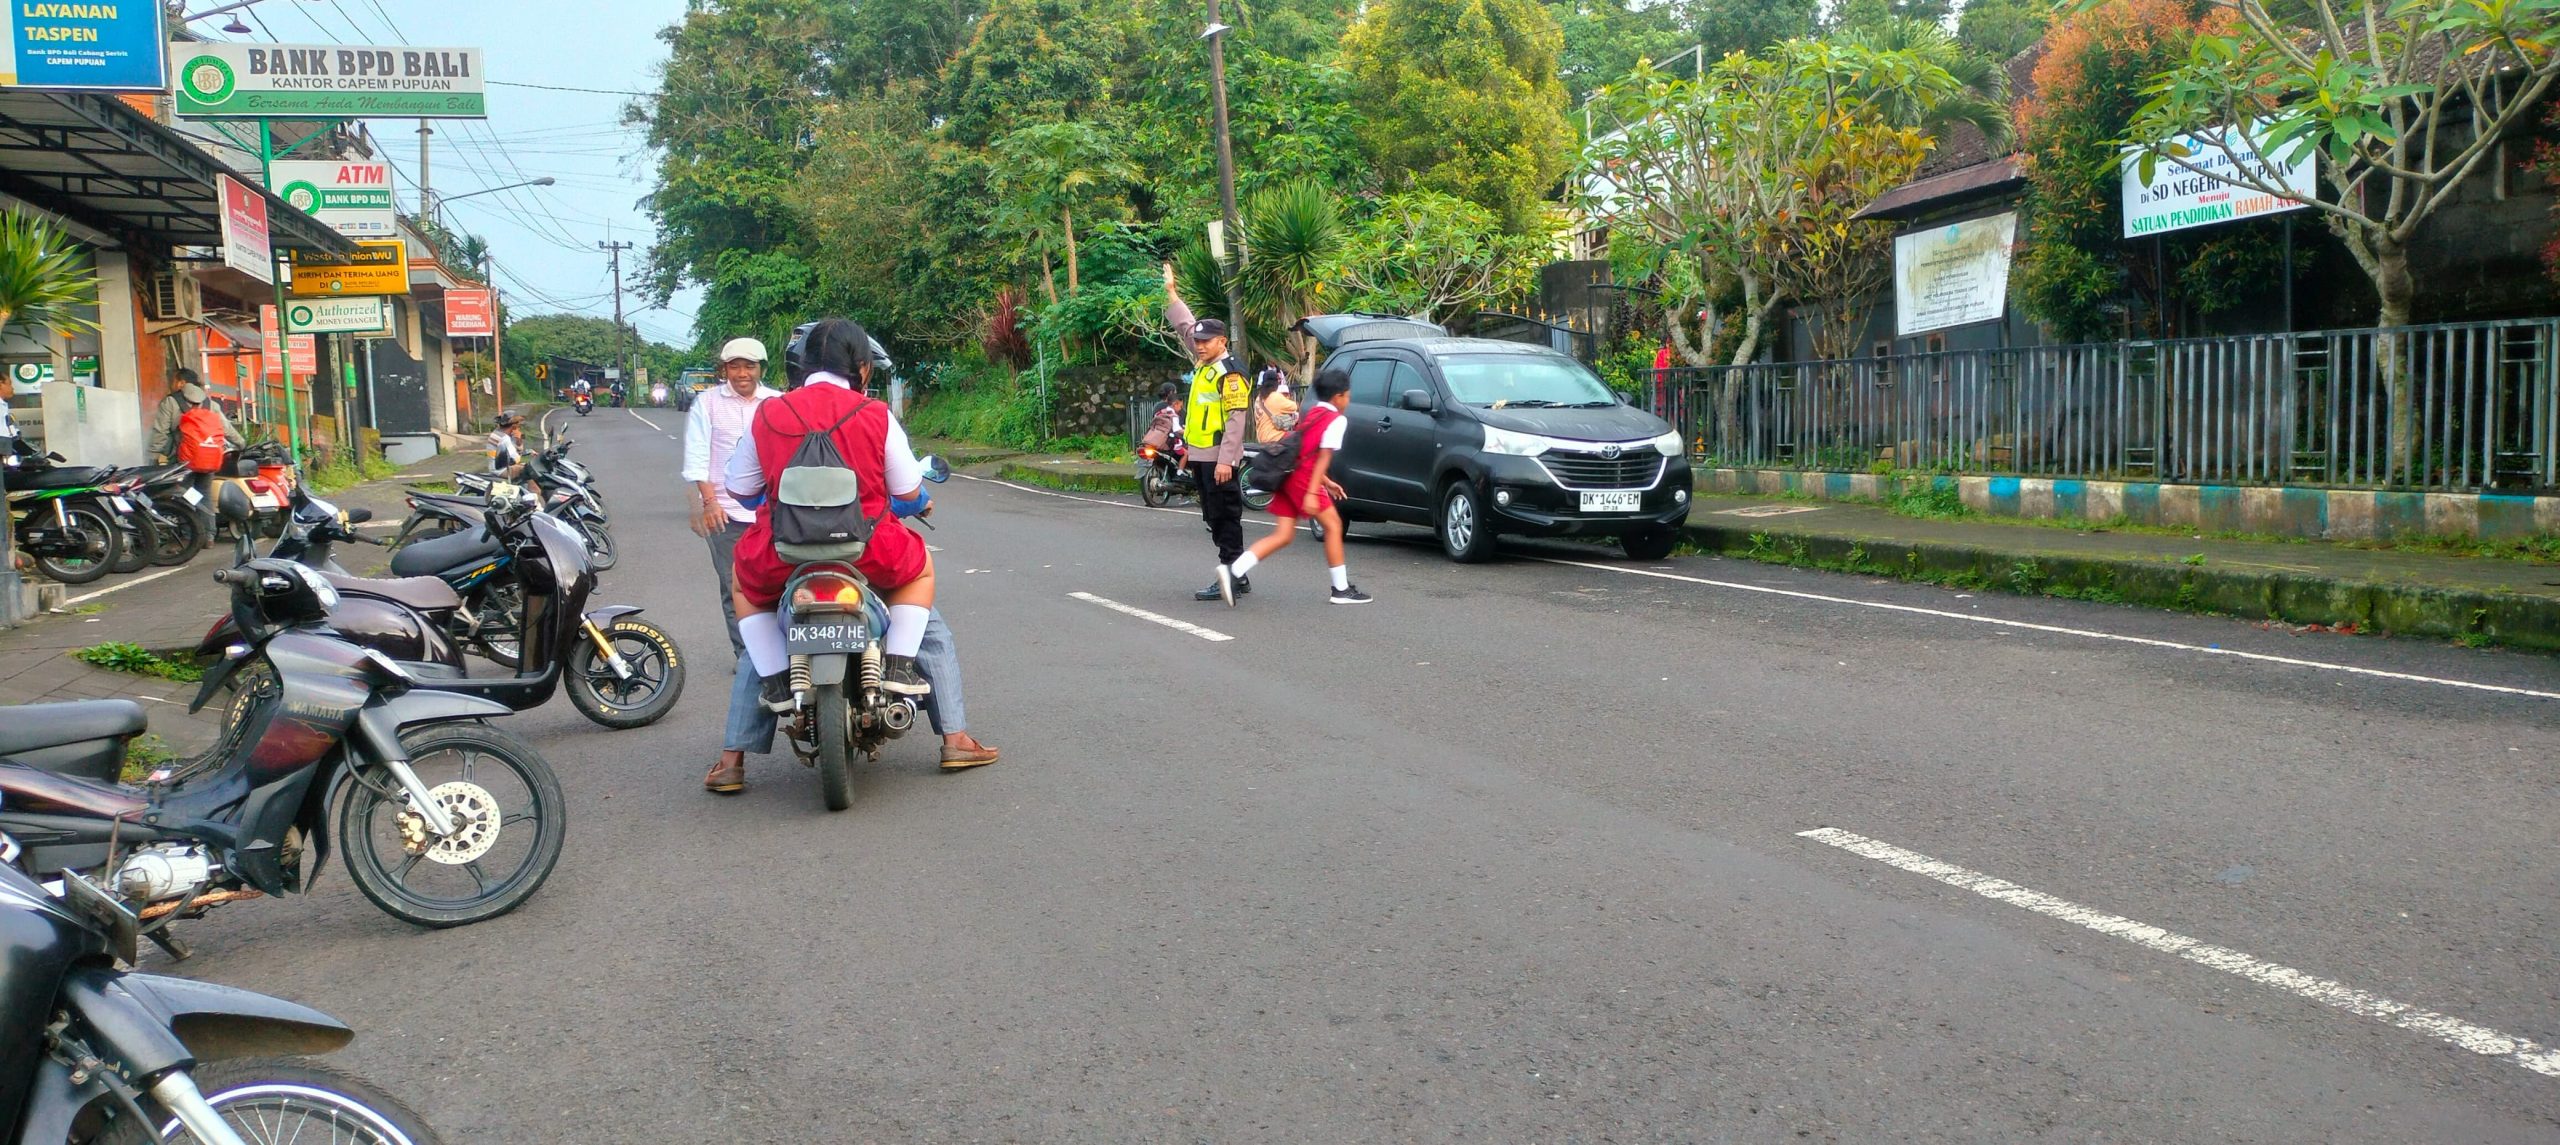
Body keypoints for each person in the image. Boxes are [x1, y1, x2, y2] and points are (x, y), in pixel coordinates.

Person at [723, 317, 936, 704]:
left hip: (782, 553)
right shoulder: (875, 413)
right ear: (863, 366)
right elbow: (907, 490)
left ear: (802, 365)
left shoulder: (769, 413)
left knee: (743, 583)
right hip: (867, 550)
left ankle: (773, 682)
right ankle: (900, 668)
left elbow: (739, 489)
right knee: (919, 570)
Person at [1216, 365, 1371, 606]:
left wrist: (1327, 483)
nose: (1348, 400)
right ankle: (1340, 589)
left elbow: (1305, 450)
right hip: (1304, 480)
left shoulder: (1314, 412)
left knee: (1284, 535)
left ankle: (1233, 571)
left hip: (1287, 476)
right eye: (1348, 395)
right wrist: (1312, 491)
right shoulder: (1336, 420)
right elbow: (1323, 458)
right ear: (1339, 396)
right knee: (1333, 525)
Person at [681, 337, 779, 658]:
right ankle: (747, 656)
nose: (741, 374)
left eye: (748, 366)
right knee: (733, 585)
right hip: (725, 512)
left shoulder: (776, 402)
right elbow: (696, 456)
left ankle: (783, 650)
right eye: (734, 367)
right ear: (724, 370)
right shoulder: (707, 403)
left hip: (774, 513)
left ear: (761, 369)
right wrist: (709, 502)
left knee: (779, 581)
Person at [1162, 263, 1251, 601]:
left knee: (1225, 517)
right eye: (1197, 341)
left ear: (1222, 341)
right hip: (1200, 457)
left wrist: (1226, 461)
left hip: (1219, 459)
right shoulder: (1205, 364)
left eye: (1205, 341)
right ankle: (1236, 574)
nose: (1198, 345)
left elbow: (1235, 420)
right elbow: (1185, 326)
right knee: (1212, 517)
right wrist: (1172, 294)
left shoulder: (1229, 373)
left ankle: (1231, 576)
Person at [148, 368, 242, 526]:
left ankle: (189, 533)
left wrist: (154, 455)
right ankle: (209, 534)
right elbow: (226, 429)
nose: (172, 385)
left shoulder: (170, 402)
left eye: (173, 381)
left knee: (184, 493)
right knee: (203, 493)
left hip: (184, 460)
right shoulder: (210, 403)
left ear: (181, 383)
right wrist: (241, 443)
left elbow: (160, 432)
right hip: (209, 458)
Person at [1253, 366, 1300, 441]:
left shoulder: (1259, 398)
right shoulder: (1275, 396)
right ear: (1276, 382)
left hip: (1262, 438)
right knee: (1301, 436)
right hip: (1275, 437)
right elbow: (1295, 407)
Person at [487, 411, 529, 480]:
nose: (519, 427)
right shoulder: (504, 439)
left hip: (495, 467)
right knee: (530, 471)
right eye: (518, 425)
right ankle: (533, 491)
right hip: (502, 470)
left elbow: (512, 451)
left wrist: (518, 442)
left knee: (525, 465)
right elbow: (515, 459)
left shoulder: (496, 433)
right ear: (514, 426)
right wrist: (519, 440)